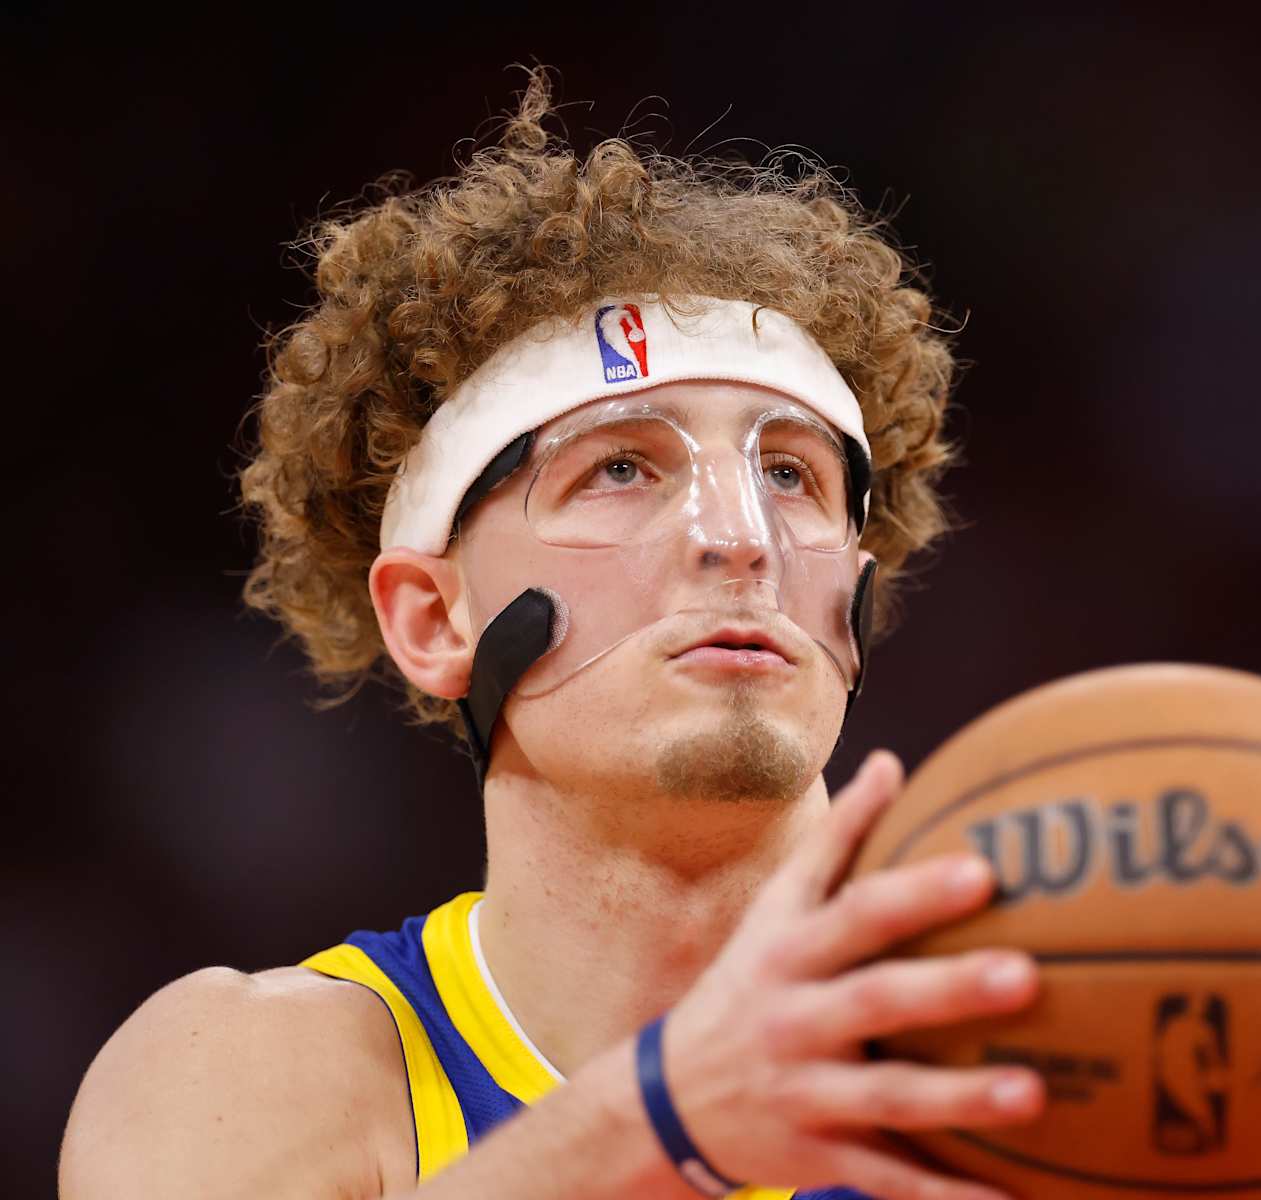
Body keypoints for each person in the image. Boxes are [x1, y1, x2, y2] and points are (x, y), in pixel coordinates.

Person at [59, 72, 1044, 1200]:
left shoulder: (1053, 1051)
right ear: (436, 619)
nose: (742, 539)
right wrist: (668, 1120)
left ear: (856, 603)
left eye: (790, 475)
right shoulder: (251, 1072)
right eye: (620, 469)